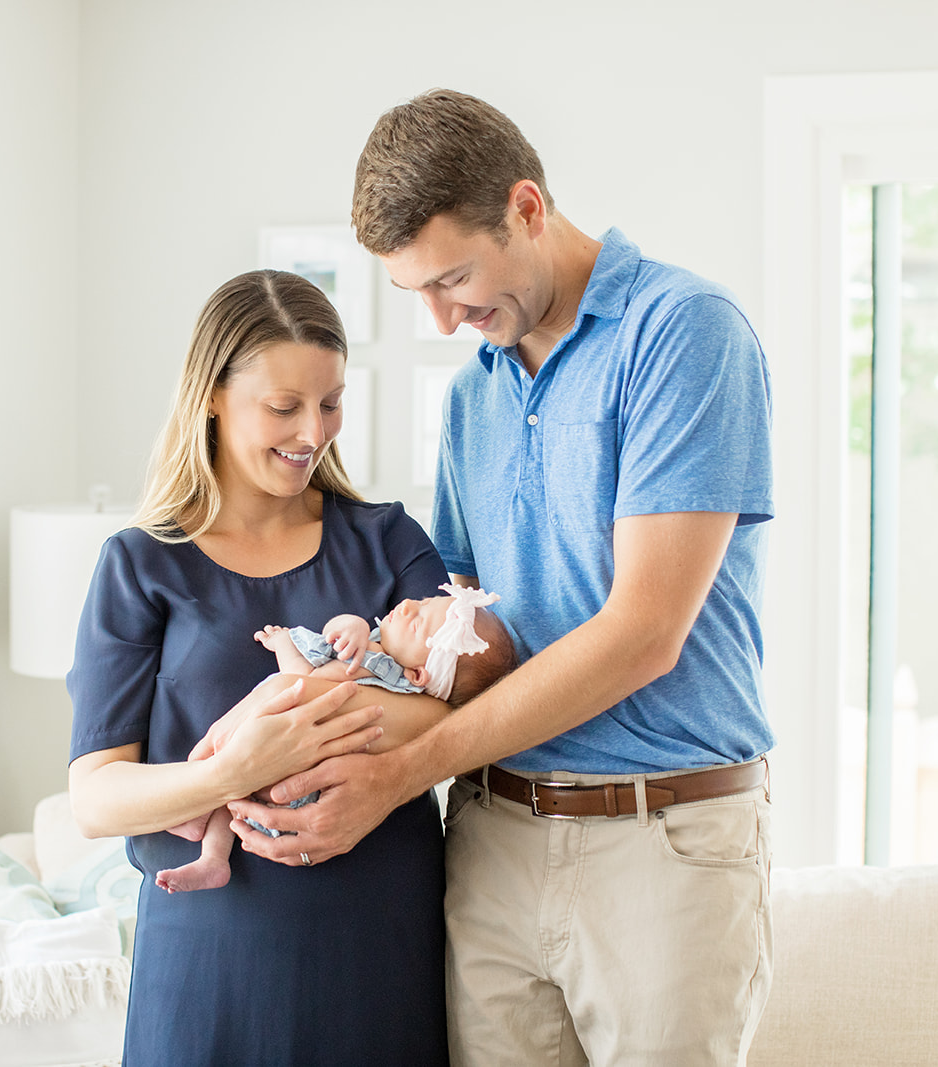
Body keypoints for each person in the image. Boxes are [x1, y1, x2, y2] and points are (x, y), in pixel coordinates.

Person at [227, 89, 777, 1067]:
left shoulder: (680, 334)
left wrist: (394, 773)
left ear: (527, 208)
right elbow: (459, 631)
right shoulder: (476, 395)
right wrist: (368, 661)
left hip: (659, 839)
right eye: (416, 295)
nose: (444, 318)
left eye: (453, 278)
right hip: (491, 835)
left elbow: (645, 633)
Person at [66, 269, 452, 1065]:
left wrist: (301, 722)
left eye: (332, 402)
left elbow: (451, 707)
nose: (314, 430)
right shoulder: (141, 566)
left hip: (379, 952)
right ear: (211, 394)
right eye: (284, 406)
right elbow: (97, 795)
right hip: (208, 969)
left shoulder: (389, 540)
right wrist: (231, 771)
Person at [156, 584, 515, 893]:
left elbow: (302, 682)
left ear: (419, 674)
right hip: (291, 787)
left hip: (290, 779)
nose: (407, 606)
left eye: (418, 620)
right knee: (235, 787)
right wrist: (353, 626)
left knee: (231, 771)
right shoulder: (393, 675)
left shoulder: (375, 667)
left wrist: (284, 643)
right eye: (422, 602)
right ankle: (213, 858)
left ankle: (199, 821)